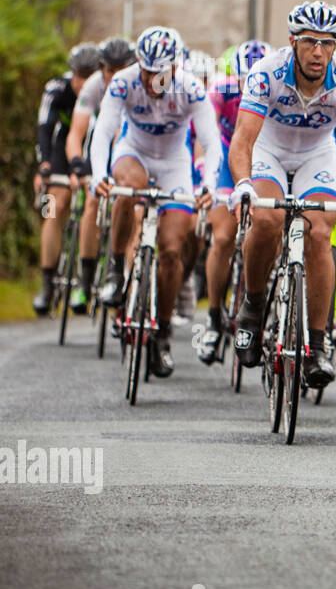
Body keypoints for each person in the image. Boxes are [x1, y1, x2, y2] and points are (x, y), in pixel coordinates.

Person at [228, 1, 336, 389]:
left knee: (318, 233)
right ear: (293, 42)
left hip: (317, 154)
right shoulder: (266, 73)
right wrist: (243, 184)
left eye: (328, 43)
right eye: (310, 42)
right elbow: (243, 140)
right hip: (269, 151)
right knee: (265, 220)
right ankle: (253, 304)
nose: (318, 52)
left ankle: (317, 344)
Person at [90, 27, 222, 376]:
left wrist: (208, 183)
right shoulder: (124, 82)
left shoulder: (191, 89)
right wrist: (98, 174)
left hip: (174, 166)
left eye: (159, 72)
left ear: (175, 68)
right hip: (133, 153)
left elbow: (211, 143)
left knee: (172, 250)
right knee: (129, 187)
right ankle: (117, 270)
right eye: (146, 70)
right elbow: (104, 131)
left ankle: (162, 331)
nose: (151, 80)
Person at [196, 38, 269, 363]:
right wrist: (205, 175)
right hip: (227, 157)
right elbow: (203, 137)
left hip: (265, 158)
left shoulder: (277, 87)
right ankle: (214, 317)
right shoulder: (221, 92)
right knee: (223, 237)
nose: (247, 87)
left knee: (270, 230)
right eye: (242, 81)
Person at [65, 37, 136, 311]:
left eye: (121, 69)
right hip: (102, 143)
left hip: (131, 145)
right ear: (101, 69)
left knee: (131, 206)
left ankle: (127, 284)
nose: (115, 76)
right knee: (93, 200)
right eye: (109, 70)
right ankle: (84, 281)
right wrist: (80, 168)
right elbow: (76, 134)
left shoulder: (139, 83)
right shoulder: (94, 85)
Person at [33, 42, 102, 315]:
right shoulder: (56, 90)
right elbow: (45, 128)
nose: (82, 82)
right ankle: (47, 284)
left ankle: (85, 281)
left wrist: (87, 174)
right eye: (78, 75)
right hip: (62, 150)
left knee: (91, 206)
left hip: (94, 149)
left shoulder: (104, 91)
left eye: (89, 75)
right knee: (53, 208)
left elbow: (101, 136)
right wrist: (44, 168)